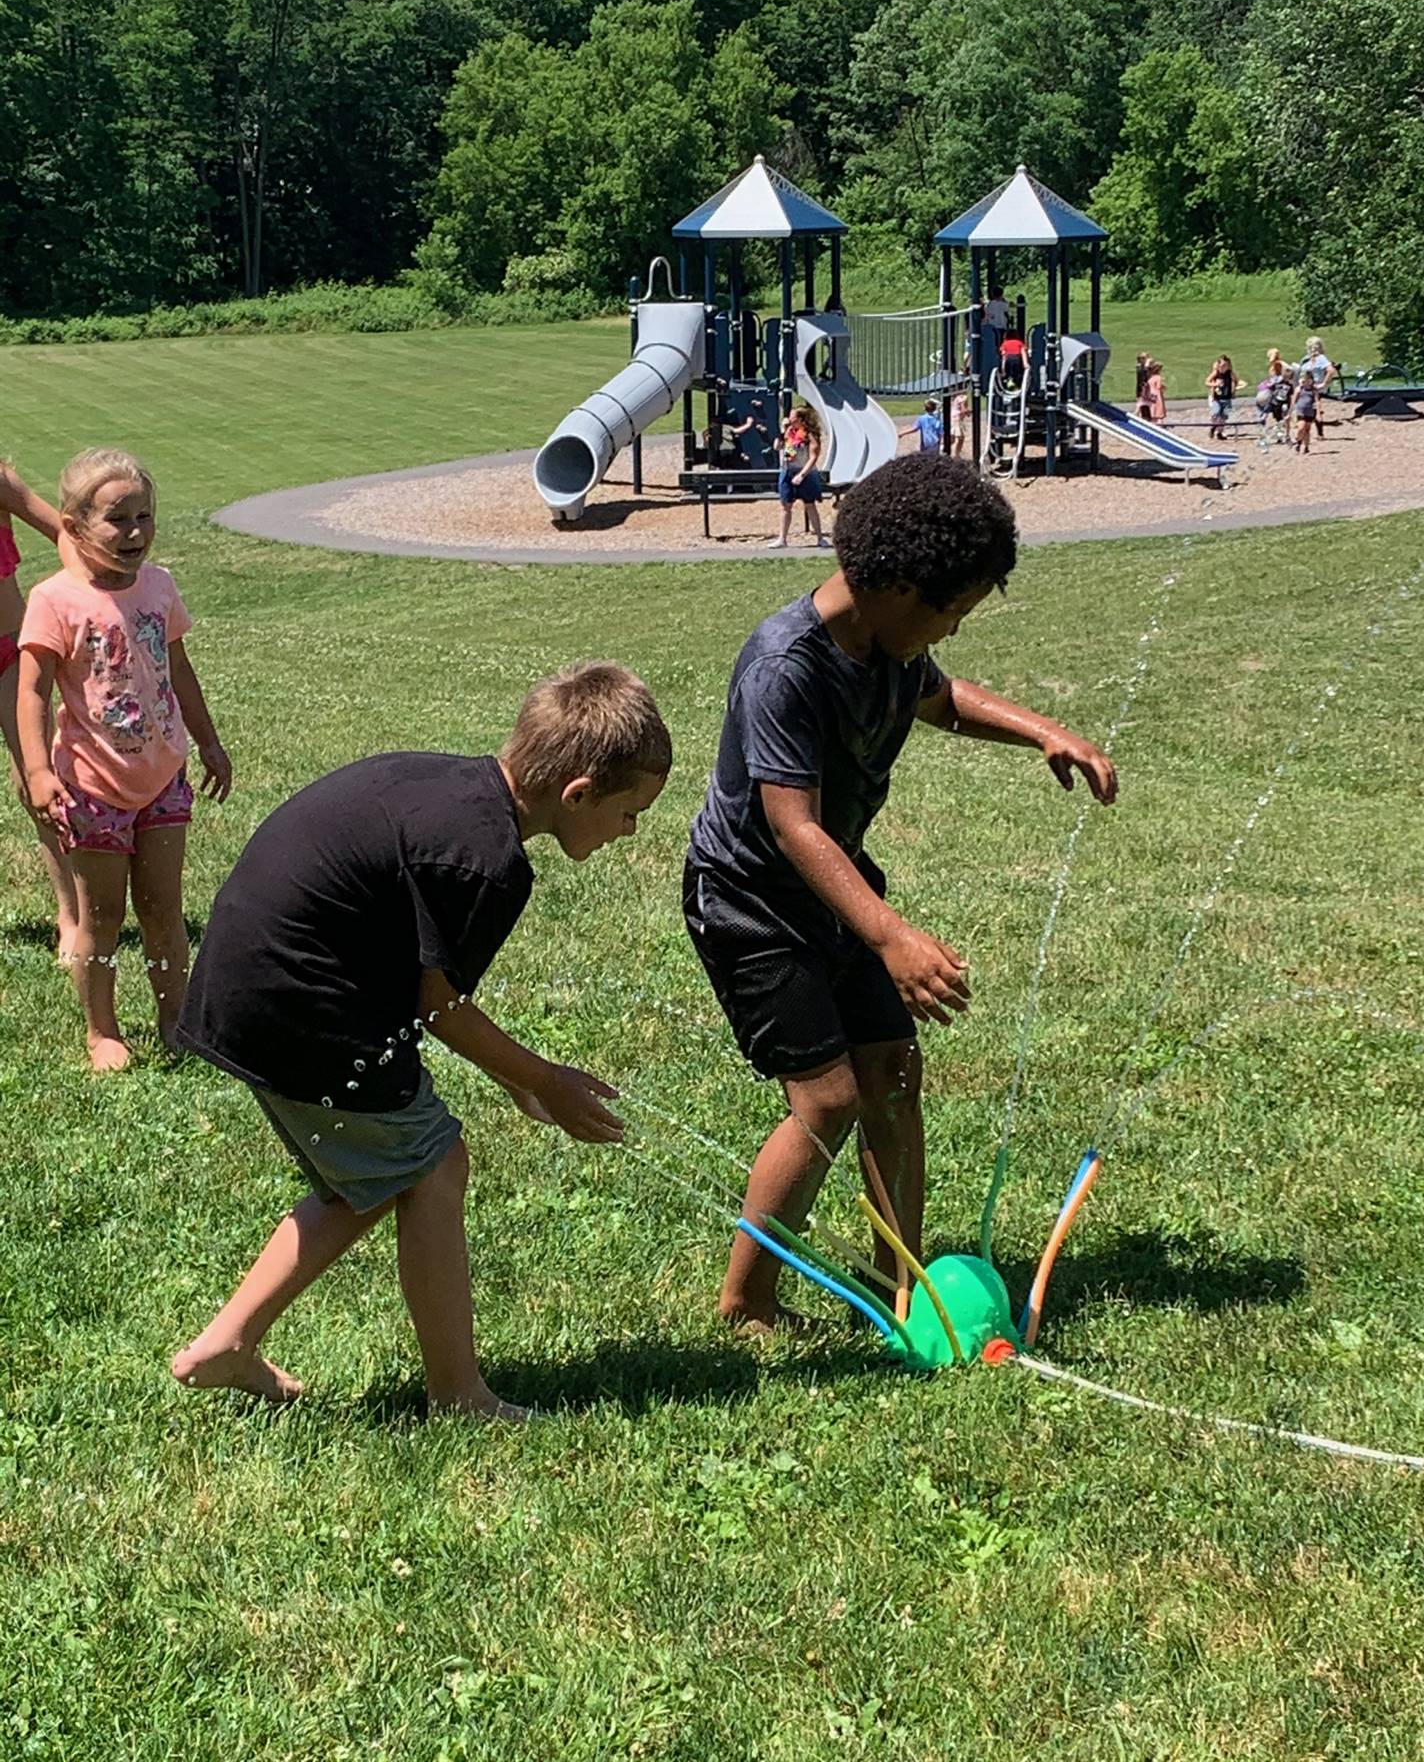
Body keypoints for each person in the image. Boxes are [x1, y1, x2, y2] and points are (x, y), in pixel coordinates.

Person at [683, 453, 1117, 1331]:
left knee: (891, 1074)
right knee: (828, 1098)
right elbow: (792, 826)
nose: (951, 631)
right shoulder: (786, 668)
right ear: (895, 586)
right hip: (751, 906)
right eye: (949, 611)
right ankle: (746, 1301)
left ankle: (903, 1284)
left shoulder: (888, 644)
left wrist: (1043, 732)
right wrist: (890, 936)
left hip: (834, 889)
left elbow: (944, 698)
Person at [170, 661, 671, 1417]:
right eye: (629, 813)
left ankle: (230, 1343)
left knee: (382, 1169)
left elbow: (425, 982)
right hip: (297, 1000)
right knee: (433, 1166)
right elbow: (441, 1009)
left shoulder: (456, 789)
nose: (629, 832)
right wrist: (542, 1077)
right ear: (579, 793)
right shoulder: (489, 862)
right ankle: (459, 1394)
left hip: (249, 983)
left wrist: (518, 1080)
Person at [17, 449, 231, 1072]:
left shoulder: (159, 586)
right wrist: (37, 770)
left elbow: (180, 670)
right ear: (75, 523)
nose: (135, 531)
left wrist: (209, 740)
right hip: (91, 789)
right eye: (118, 519)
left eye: (145, 516)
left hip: (162, 777)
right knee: (102, 917)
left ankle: (175, 1016)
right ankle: (101, 1031)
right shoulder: (54, 599)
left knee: (164, 910)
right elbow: (31, 690)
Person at [0, 457, 78, 954]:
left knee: (38, 779)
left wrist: (86, 595)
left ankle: (71, 914)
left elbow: (63, 531)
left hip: (9, 652)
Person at [771, 402, 827, 550]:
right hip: (787, 470)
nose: (789, 420)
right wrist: (782, 432)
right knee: (785, 506)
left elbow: (813, 457)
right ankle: (782, 539)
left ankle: (820, 538)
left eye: (793, 417)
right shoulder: (789, 432)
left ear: (801, 419)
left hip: (805, 472)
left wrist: (802, 475)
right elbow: (776, 447)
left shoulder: (810, 435)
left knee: (809, 504)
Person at [1297, 335, 1337, 440]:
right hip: (1307, 385)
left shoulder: (1321, 359)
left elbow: (1331, 370)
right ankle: (1307, 428)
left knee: (1316, 407)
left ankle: (1319, 433)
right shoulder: (1306, 359)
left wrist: (1324, 383)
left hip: (1315, 386)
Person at [1254, 347, 1295, 448]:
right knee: (1280, 418)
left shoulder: (1278, 366)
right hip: (1278, 397)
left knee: (1278, 418)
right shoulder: (1279, 366)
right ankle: (1282, 436)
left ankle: (1279, 436)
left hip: (1277, 397)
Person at [1205, 355, 1247, 441]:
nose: (1224, 367)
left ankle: (1219, 432)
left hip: (1227, 398)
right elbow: (1207, 382)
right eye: (1222, 365)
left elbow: (1236, 380)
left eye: (1226, 365)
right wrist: (1215, 385)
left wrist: (1233, 390)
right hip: (1217, 398)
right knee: (1216, 413)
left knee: (1224, 416)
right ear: (1219, 365)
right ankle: (1213, 427)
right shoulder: (1216, 373)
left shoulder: (1230, 373)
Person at [981, 286, 1010, 369]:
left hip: (992, 327)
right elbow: (1007, 309)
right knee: (1001, 345)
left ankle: (994, 360)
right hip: (1001, 326)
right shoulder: (1003, 304)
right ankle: (1001, 361)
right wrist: (1003, 299)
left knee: (993, 345)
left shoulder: (989, 304)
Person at [1292, 370, 1318, 453]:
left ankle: (1306, 447)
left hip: (1310, 412)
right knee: (1301, 428)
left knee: (1307, 430)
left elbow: (1317, 401)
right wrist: (1290, 411)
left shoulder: (1314, 390)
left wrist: (1318, 412)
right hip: (1301, 411)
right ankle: (1299, 442)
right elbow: (1294, 400)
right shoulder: (1299, 389)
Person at [1142, 360, 1167, 425]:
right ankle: (1160, 425)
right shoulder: (1158, 377)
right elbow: (1158, 387)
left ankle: (1153, 423)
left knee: (1153, 409)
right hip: (1157, 394)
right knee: (1159, 411)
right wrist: (1163, 387)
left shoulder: (1151, 377)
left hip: (1151, 394)